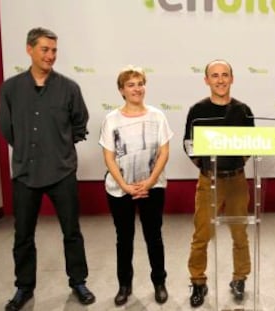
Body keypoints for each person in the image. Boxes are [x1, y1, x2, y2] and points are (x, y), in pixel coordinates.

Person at [0, 27, 95, 311]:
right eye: (45, 49)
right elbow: (8, 129)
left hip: (61, 171)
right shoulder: (10, 88)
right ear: (29, 49)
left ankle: (78, 281)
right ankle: (23, 287)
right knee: (23, 235)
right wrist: (30, 148)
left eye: (54, 50)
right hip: (25, 174)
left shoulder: (69, 87)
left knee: (71, 231)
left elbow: (80, 123)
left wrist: (59, 147)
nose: (50, 55)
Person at [99, 65, 173, 306]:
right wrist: (125, 185)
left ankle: (159, 282)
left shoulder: (157, 116)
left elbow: (164, 152)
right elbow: (109, 157)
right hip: (120, 189)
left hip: (152, 188)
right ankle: (124, 285)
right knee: (124, 238)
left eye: (140, 83)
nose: (137, 88)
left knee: (154, 237)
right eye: (131, 84)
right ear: (121, 90)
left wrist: (150, 182)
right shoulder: (111, 119)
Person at [183, 59, 254, 307]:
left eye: (225, 75)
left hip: (237, 180)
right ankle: (198, 282)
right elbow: (189, 145)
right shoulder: (197, 110)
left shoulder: (243, 110)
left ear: (232, 79)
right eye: (215, 76)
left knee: (240, 233)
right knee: (202, 233)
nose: (220, 80)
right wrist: (207, 168)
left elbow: (250, 145)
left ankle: (239, 278)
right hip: (208, 181)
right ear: (206, 80)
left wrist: (235, 161)